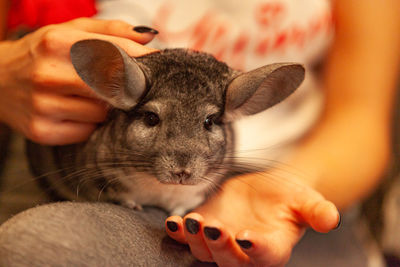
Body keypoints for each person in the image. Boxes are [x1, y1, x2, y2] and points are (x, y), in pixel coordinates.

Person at [0, 0, 399, 266]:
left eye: (210, 123)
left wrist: (291, 186)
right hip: (103, 174)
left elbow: (360, 119)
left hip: (285, 175)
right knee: (42, 248)